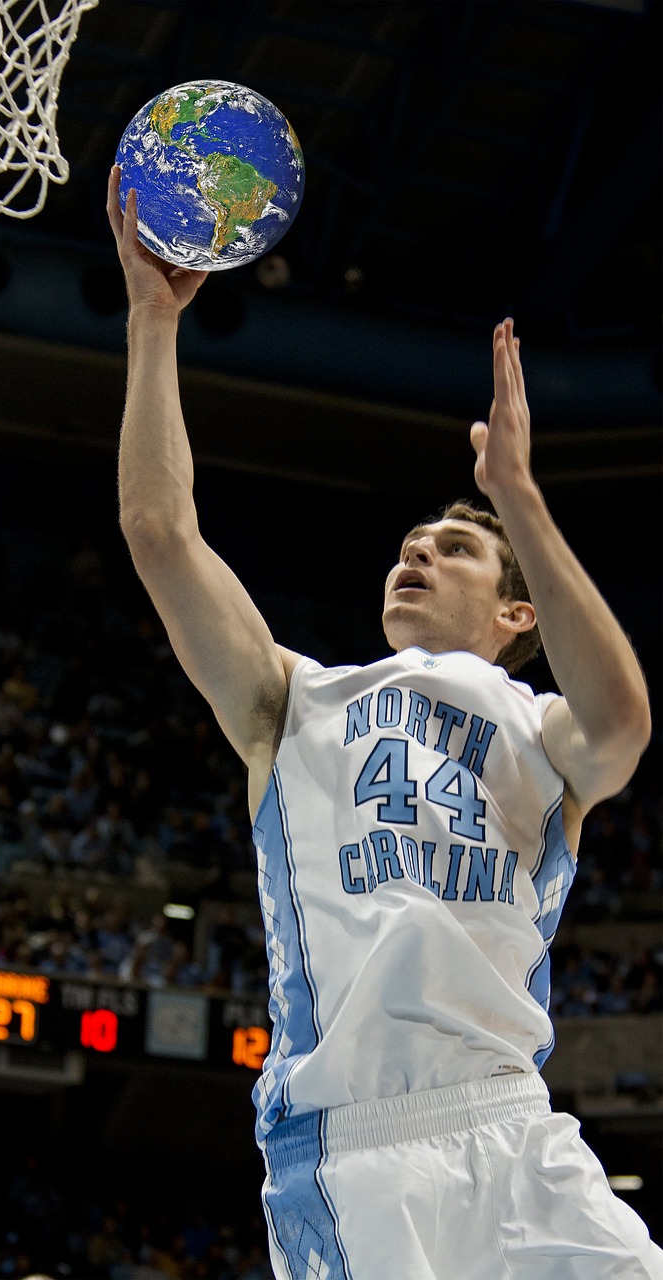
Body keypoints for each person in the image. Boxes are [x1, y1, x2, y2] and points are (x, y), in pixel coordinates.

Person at [106, 167, 662, 1278]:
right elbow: (160, 532)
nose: (415, 551)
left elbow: (623, 723)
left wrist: (517, 495)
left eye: (451, 546)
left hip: (514, 1125)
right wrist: (153, 323)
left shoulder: (540, 727)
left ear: (515, 610)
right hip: (357, 1143)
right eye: (408, 542)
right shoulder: (291, 700)